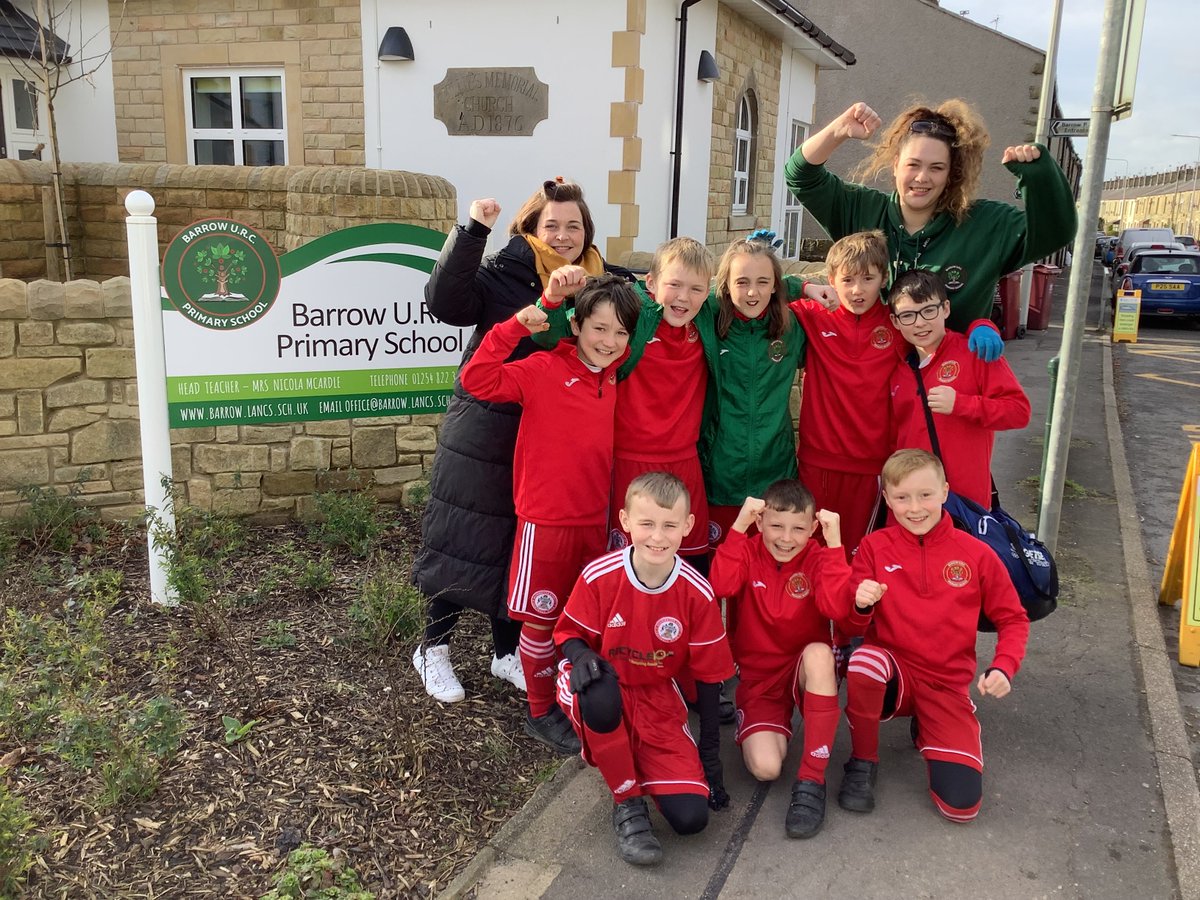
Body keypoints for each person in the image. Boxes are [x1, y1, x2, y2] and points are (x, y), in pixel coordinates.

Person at [411, 179, 628, 704]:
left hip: (548, 438)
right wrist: (472, 231)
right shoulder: (503, 274)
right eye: (550, 224)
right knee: (466, 536)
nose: (562, 235)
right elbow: (445, 300)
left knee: (517, 545)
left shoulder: (604, 282)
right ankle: (432, 649)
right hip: (488, 424)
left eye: (573, 225)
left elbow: (668, 294)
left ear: (587, 231)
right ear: (530, 228)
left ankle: (505, 650)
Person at [458, 274, 641, 754]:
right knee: (539, 621)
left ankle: (575, 696)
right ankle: (540, 712)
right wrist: (516, 325)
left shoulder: (614, 376)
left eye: (621, 332)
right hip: (546, 523)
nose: (609, 341)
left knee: (581, 619)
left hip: (595, 522)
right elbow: (475, 379)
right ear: (576, 325)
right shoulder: (542, 368)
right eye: (599, 328)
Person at [838, 449, 1030, 822]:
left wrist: (1004, 667)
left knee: (961, 807)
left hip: (945, 684)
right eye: (902, 497)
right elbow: (849, 629)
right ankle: (862, 761)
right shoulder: (874, 548)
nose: (915, 508)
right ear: (887, 499)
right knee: (864, 663)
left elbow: (1013, 618)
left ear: (944, 491)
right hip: (894, 673)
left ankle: (929, 726)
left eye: (925, 495)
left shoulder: (976, 554)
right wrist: (860, 605)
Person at [785, 98, 1077, 342]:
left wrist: (1040, 177)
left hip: (948, 395)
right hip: (873, 396)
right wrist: (839, 130)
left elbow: (1056, 232)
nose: (922, 178)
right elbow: (801, 176)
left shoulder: (985, 224)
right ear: (896, 164)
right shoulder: (862, 211)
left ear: (951, 174)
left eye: (937, 168)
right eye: (913, 164)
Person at [553, 472, 734, 866]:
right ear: (625, 521)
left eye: (670, 525)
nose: (657, 536)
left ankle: (631, 756)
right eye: (647, 523)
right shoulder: (600, 576)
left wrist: (711, 758)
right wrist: (582, 656)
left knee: (691, 819)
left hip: (656, 694)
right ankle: (628, 802)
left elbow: (707, 673)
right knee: (599, 696)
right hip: (603, 682)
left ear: (687, 526)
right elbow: (567, 634)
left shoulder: (697, 593)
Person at [538, 237, 717, 575]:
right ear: (650, 283)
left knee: (689, 567)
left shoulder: (706, 317)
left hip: (686, 462)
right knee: (625, 567)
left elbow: (753, 291)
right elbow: (554, 334)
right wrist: (552, 299)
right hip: (628, 461)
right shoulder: (631, 316)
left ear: (708, 291)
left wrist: (803, 286)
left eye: (696, 288)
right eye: (674, 285)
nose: (683, 297)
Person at [708, 481, 850, 839]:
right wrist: (737, 528)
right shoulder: (748, 548)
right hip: (760, 680)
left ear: (813, 528)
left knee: (820, 654)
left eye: (799, 528)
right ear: (760, 522)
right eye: (776, 526)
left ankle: (811, 781)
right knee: (766, 768)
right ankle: (765, 724)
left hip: (802, 668)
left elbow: (836, 608)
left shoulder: (818, 555)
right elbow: (721, 586)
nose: (786, 538)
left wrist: (835, 546)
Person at [700, 233, 812, 548]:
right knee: (721, 571)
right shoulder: (708, 319)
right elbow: (678, 294)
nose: (752, 292)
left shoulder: (794, 327)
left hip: (775, 477)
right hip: (721, 476)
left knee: (767, 576)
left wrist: (801, 286)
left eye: (763, 282)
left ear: (776, 285)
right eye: (741, 282)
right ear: (724, 286)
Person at [887, 270, 1031, 508]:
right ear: (895, 321)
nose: (920, 322)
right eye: (908, 315)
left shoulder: (975, 353)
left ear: (945, 308)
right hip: (908, 503)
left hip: (963, 503)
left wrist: (961, 404)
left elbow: (1018, 412)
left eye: (928, 310)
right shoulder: (898, 366)